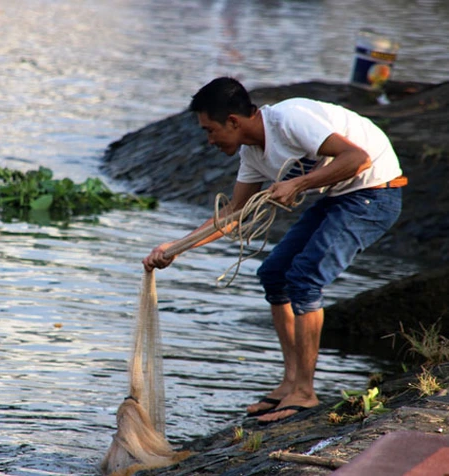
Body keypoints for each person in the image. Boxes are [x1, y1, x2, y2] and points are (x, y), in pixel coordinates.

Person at [142, 77, 405, 424]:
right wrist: (175, 248)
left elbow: (358, 158)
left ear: (233, 122)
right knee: (273, 274)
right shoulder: (252, 156)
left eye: (210, 130)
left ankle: (306, 393)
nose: (208, 140)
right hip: (339, 197)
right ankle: (291, 382)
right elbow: (232, 216)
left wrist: (298, 183)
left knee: (305, 279)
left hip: (376, 193)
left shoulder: (290, 119)